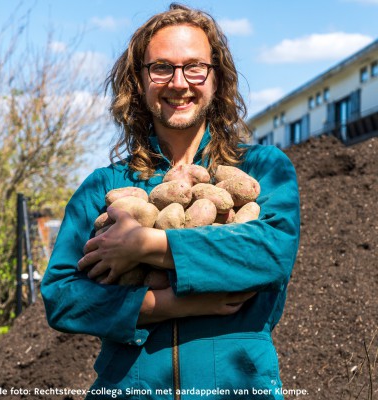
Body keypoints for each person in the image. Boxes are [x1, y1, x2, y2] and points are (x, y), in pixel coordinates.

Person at [41, 3, 300, 400]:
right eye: (161, 67)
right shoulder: (105, 187)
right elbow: (61, 296)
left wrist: (146, 245)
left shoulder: (264, 169)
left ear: (217, 79)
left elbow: (271, 255)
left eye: (195, 66)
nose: (179, 82)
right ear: (139, 80)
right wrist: (168, 304)